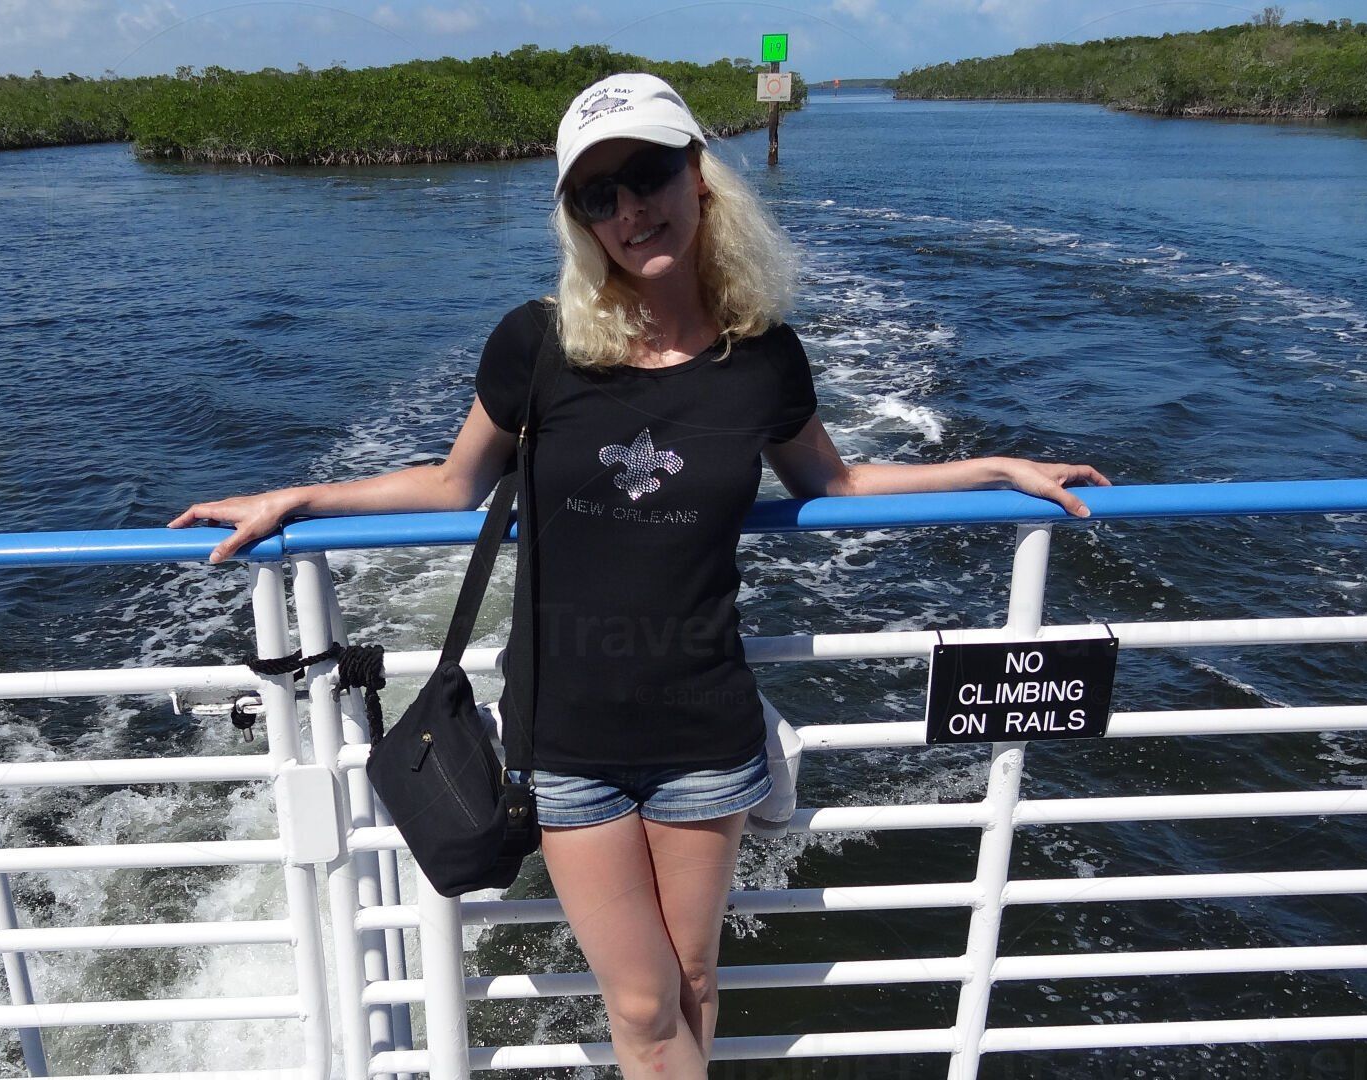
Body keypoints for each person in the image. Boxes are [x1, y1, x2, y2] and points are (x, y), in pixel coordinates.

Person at [170, 72, 1110, 1080]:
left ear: (698, 176)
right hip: (565, 733)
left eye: (649, 174)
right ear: (579, 219)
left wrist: (992, 469)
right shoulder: (539, 344)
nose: (629, 209)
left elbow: (833, 480)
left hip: (704, 723)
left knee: (694, 977)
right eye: (597, 194)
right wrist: (301, 498)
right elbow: (453, 485)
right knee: (640, 1000)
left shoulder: (763, 357)